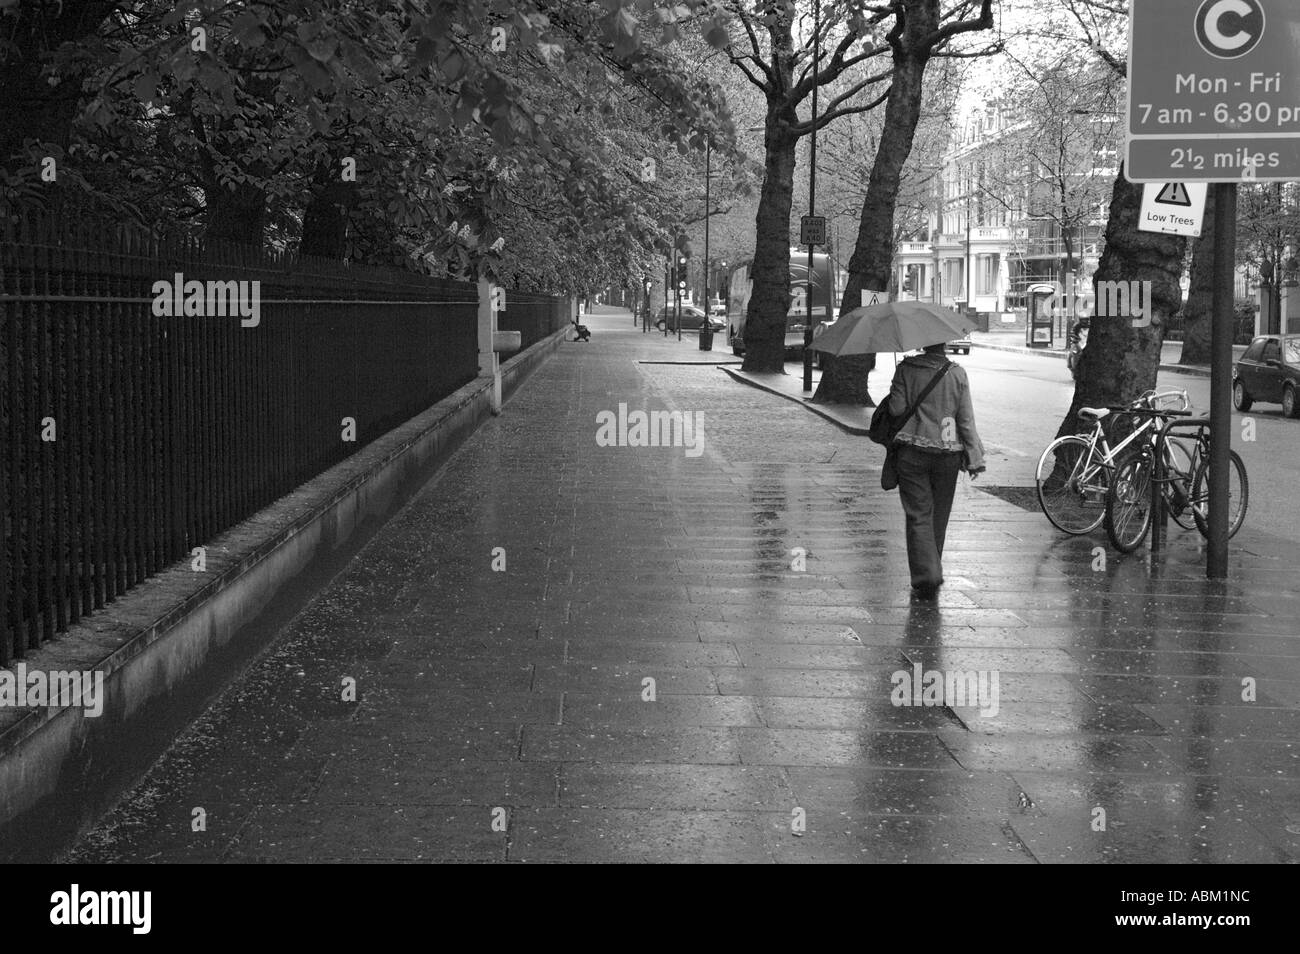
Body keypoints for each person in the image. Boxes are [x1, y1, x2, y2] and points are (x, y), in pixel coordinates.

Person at [885, 342, 986, 600]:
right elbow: (965, 420)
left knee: (918, 514)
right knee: (939, 516)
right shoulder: (957, 373)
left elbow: (896, 409)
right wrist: (974, 457)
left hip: (912, 451)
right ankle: (933, 567)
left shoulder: (906, 369)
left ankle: (926, 575)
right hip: (948, 455)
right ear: (944, 345)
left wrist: (899, 383)